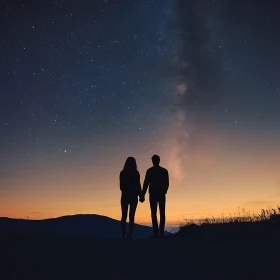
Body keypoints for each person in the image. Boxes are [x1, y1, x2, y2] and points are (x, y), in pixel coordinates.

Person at [140, 154, 169, 238]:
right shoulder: (163, 171)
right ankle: (160, 233)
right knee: (160, 213)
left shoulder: (150, 171)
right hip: (158, 194)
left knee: (155, 213)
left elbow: (146, 183)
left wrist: (142, 195)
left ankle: (157, 233)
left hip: (154, 194)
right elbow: (166, 183)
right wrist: (164, 191)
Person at [119, 157, 141, 239]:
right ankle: (130, 235)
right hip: (133, 197)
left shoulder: (123, 173)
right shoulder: (136, 173)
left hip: (124, 196)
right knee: (131, 216)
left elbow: (121, 187)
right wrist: (140, 195)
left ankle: (123, 234)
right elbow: (138, 186)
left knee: (124, 216)